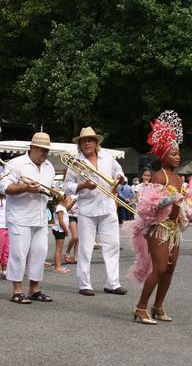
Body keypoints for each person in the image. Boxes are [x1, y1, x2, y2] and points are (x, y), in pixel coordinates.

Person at [128, 110, 192, 324]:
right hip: (159, 228)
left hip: (174, 229)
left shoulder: (177, 177)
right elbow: (148, 206)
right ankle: (140, 307)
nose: (177, 157)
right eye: (173, 154)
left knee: (170, 269)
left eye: (178, 154)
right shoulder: (159, 176)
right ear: (164, 155)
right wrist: (168, 200)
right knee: (160, 268)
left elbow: (187, 204)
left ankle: (158, 306)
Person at [64, 127, 128, 297]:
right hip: (87, 209)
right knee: (85, 248)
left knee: (112, 246)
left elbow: (119, 171)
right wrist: (83, 185)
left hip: (108, 206)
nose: (87, 143)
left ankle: (113, 283)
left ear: (96, 142)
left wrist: (121, 178)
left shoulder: (107, 157)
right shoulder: (75, 163)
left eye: (90, 140)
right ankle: (84, 284)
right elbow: (67, 187)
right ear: (79, 144)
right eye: (83, 141)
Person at [0, 132, 56, 304]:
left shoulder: (49, 166)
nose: (44, 154)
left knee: (40, 253)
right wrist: (25, 188)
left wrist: (56, 193)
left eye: (47, 151)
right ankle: (16, 290)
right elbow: (4, 187)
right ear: (32, 148)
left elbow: (51, 188)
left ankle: (34, 288)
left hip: (40, 215)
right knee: (18, 253)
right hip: (20, 216)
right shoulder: (16, 164)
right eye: (41, 150)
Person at [51, 195, 71, 274]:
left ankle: (58, 266)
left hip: (60, 230)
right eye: (67, 198)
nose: (68, 199)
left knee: (59, 249)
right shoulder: (60, 208)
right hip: (59, 230)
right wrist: (66, 230)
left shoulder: (62, 207)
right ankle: (57, 267)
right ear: (64, 198)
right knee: (59, 250)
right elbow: (61, 221)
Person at [64, 194, 79, 264]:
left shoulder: (82, 193)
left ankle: (76, 256)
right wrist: (73, 202)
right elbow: (66, 209)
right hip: (71, 216)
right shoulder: (70, 195)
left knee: (78, 239)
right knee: (75, 237)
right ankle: (67, 252)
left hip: (82, 216)